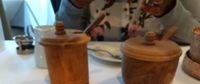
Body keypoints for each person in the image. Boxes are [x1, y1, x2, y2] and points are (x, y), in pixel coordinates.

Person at [56, 0, 200, 44]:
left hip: (160, 71)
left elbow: (195, 41)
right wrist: (74, 5)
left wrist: (169, 10)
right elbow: (64, 39)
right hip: (93, 74)